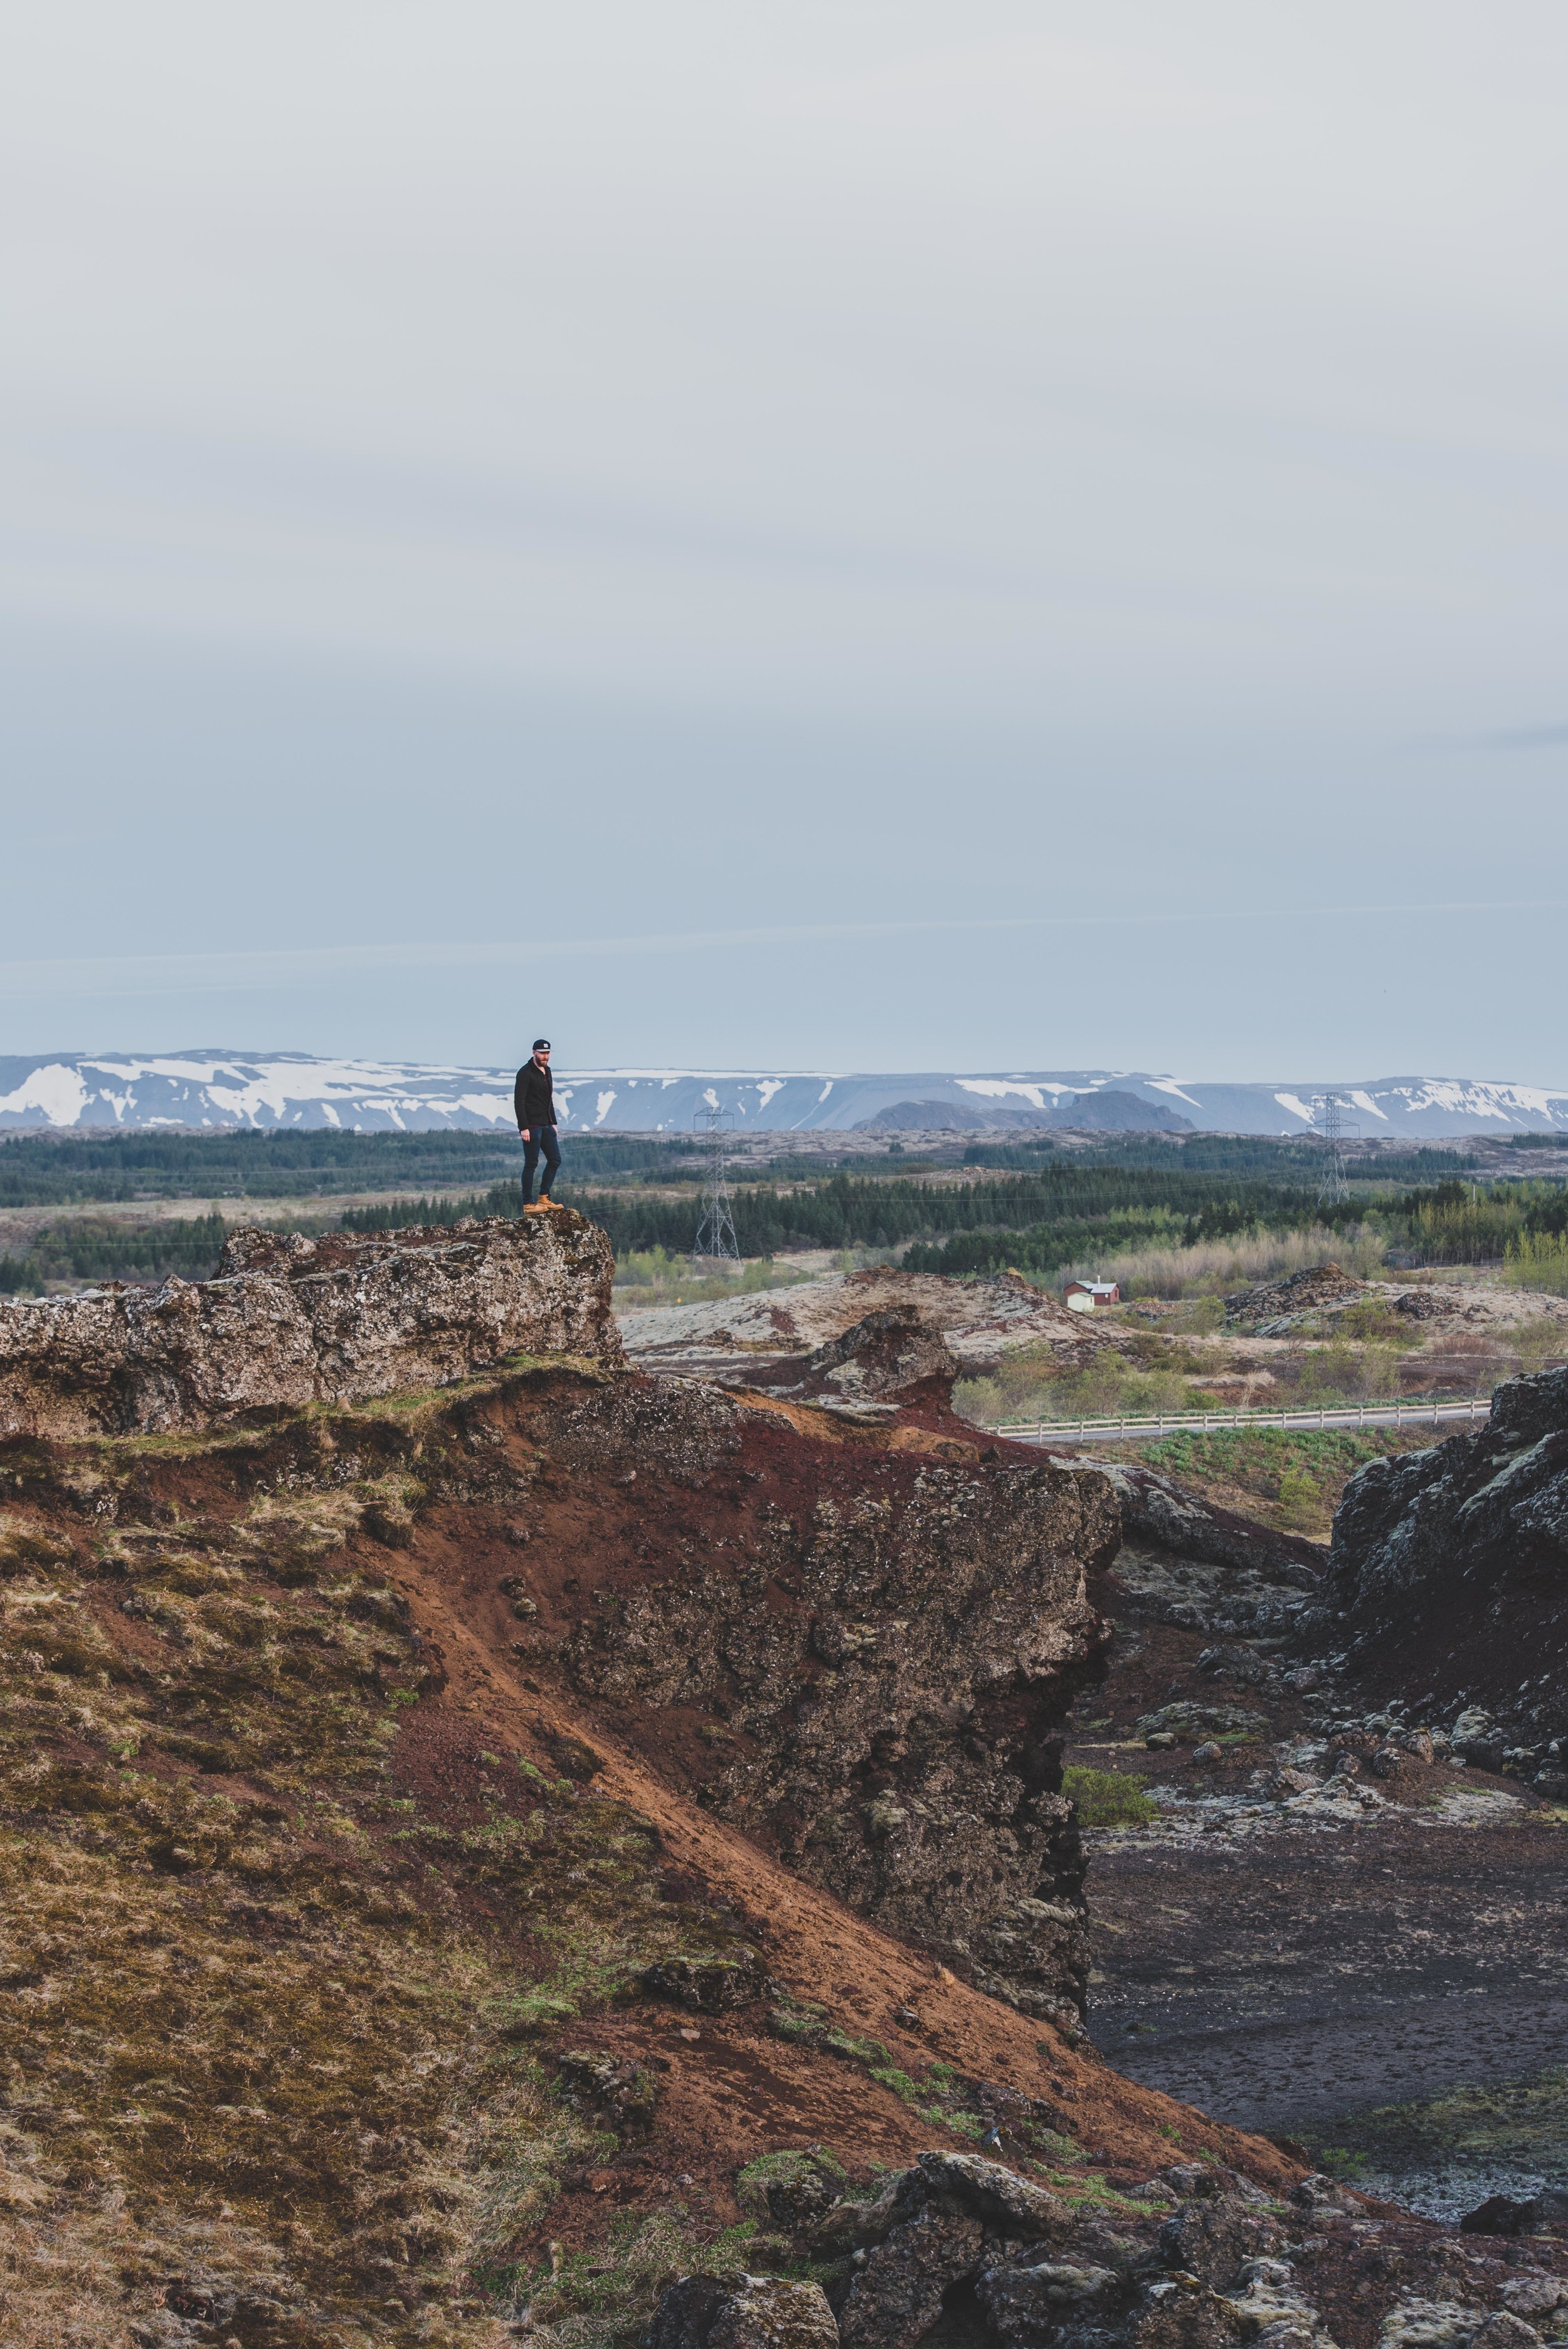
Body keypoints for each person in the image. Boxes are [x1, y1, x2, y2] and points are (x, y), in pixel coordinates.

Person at [514, 1038, 563, 1211]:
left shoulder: (547, 1071)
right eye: (542, 1053)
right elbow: (519, 1102)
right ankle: (528, 1204)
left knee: (555, 1160)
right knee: (531, 1164)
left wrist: (553, 1122)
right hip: (532, 1127)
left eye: (548, 1053)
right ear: (534, 1052)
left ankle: (544, 1198)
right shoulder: (525, 1073)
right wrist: (523, 1127)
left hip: (547, 1125)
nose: (545, 1056)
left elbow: (548, 1099)